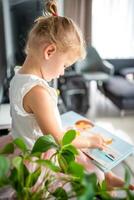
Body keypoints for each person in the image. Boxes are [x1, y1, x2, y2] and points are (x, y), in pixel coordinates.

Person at [9, 0, 134, 192]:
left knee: (82, 145)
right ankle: (104, 179)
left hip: (25, 145)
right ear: (49, 51)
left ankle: (107, 177)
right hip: (39, 157)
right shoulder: (37, 91)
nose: (62, 73)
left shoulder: (18, 76)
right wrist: (91, 141)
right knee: (84, 153)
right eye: (65, 66)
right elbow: (59, 139)